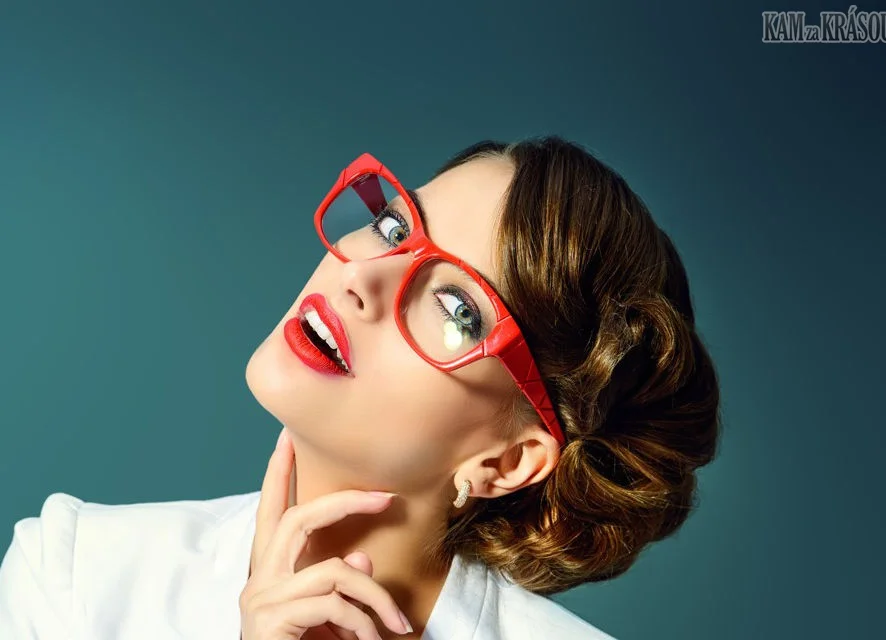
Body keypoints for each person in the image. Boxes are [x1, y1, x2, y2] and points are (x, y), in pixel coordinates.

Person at [0, 136, 721, 639]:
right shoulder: (77, 573)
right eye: (392, 225)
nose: (363, 276)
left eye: (455, 307)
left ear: (507, 460)